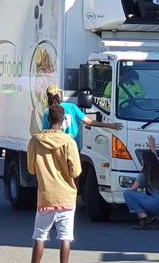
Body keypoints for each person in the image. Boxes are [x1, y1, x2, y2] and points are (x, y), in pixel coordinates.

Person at [27, 104, 82, 263]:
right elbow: (76, 172)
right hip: (66, 197)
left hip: (45, 196)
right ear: (63, 121)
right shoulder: (69, 142)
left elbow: (31, 169)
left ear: (48, 119)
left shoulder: (35, 141)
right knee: (65, 237)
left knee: (39, 236)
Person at [43, 85, 122, 150]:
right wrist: (111, 125)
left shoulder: (47, 112)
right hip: (73, 147)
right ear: (58, 95)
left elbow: (45, 132)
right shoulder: (71, 107)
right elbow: (89, 122)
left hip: (56, 147)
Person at [123, 136, 159, 229]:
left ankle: (144, 218)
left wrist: (132, 185)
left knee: (128, 194)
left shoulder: (144, 174)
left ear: (144, 161)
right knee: (154, 195)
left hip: (156, 204)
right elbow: (154, 159)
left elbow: (133, 188)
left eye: (142, 160)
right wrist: (152, 147)